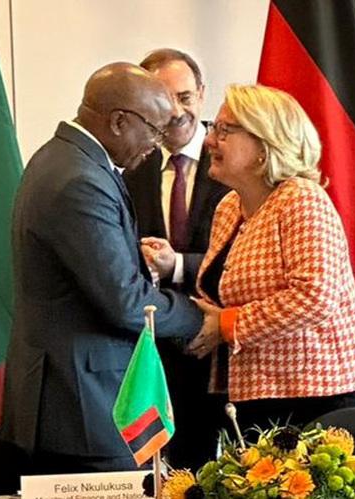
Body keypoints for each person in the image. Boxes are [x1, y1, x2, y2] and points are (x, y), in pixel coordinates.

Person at [0, 62, 208, 474]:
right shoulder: (80, 180)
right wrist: (199, 317)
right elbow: (126, 303)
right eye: (154, 130)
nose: (157, 144)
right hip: (83, 411)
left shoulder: (65, 160)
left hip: (76, 401)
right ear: (118, 121)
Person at [187, 84, 355, 431]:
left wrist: (228, 325)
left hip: (319, 398)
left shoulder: (302, 199)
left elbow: (314, 297)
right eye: (213, 127)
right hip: (254, 396)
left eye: (224, 130)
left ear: (265, 146)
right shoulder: (229, 206)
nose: (209, 141)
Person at [123, 49, 229, 470]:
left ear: (202, 94)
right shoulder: (132, 165)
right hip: (160, 355)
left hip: (227, 349)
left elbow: (245, 258)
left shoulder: (236, 159)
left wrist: (179, 264)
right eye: (165, 100)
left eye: (185, 97)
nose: (177, 112)